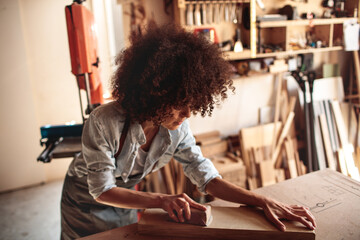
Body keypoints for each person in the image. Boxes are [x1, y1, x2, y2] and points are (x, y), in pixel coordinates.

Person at [60, 24, 316, 239]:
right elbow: (102, 189)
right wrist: (162, 200)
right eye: (180, 105)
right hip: (84, 201)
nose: (188, 114)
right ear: (156, 94)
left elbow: (208, 179)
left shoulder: (176, 131)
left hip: (126, 199)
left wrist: (261, 201)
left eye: (192, 105)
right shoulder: (104, 121)